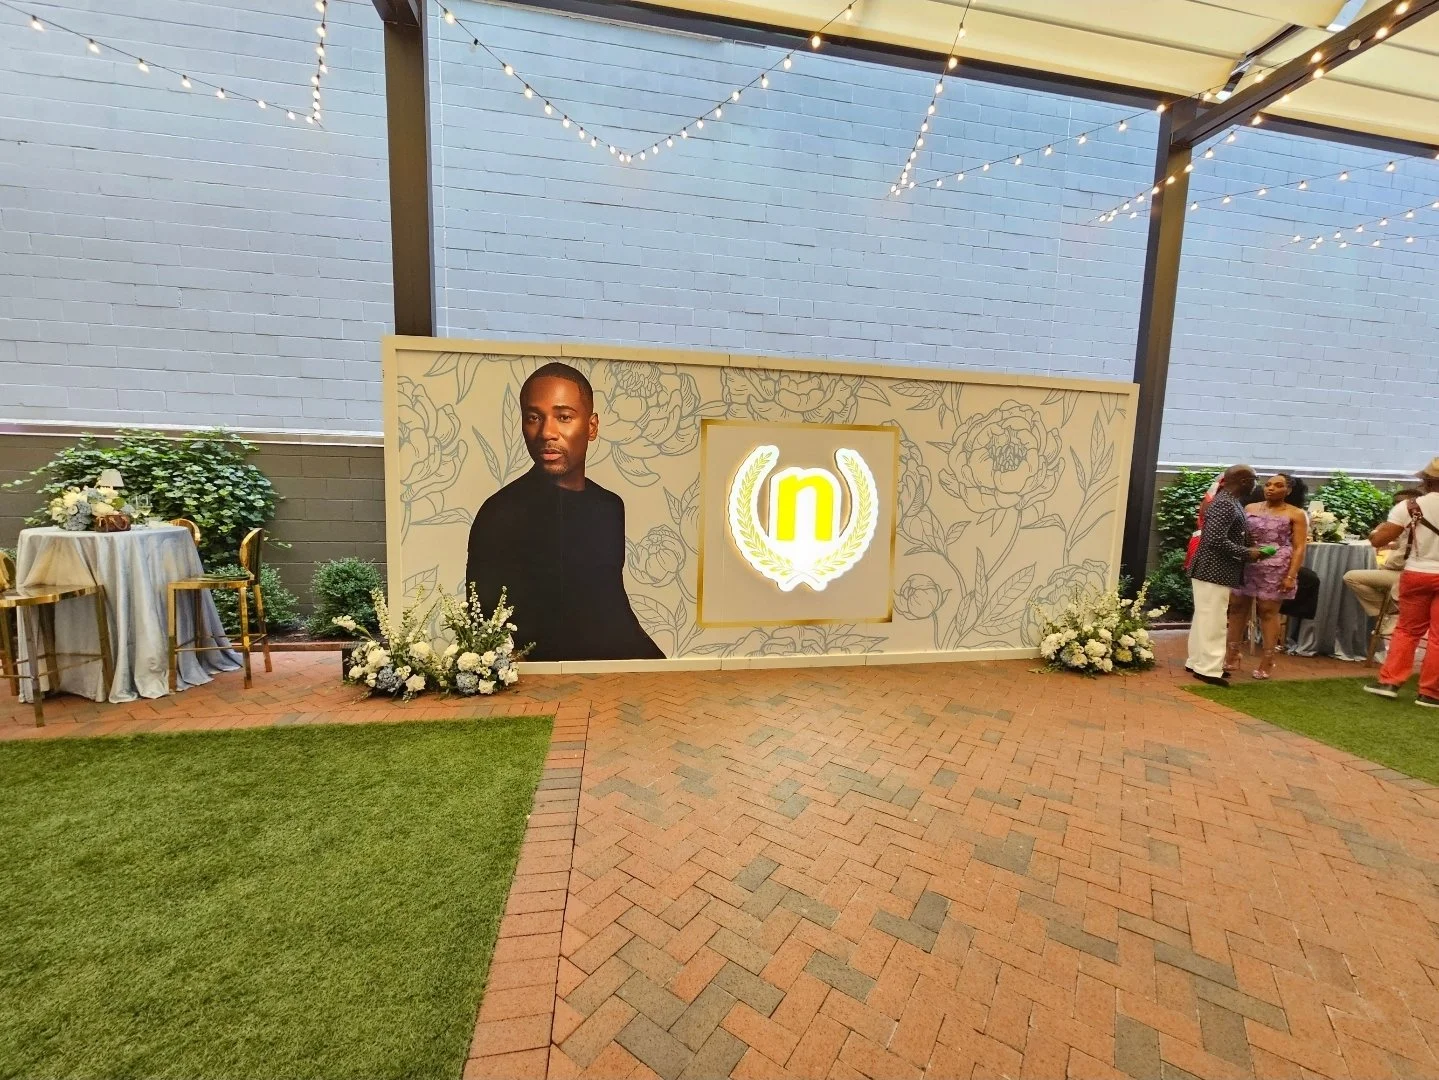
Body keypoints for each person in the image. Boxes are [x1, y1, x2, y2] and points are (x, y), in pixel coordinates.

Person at [464, 362, 664, 663]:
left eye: (564, 417)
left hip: (608, 675)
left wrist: (659, 668)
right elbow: (484, 623)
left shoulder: (609, 507)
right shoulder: (500, 513)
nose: (547, 432)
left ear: (592, 426)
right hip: (538, 681)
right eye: (534, 417)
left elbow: (610, 608)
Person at [1365, 460, 1439, 706]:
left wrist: (1374, 534)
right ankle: (1430, 693)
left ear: (1426, 481)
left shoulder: (1409, 506)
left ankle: (1390, 682)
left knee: (1407, 630)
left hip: (1417, 572)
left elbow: (1380, 540)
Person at [1187, 465, 1263, 686]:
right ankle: (1209, 669)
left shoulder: (1228, 502)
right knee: (1214, 620)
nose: (1256, 484)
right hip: (1214, 569)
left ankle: (1198, 662)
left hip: (1212, 569)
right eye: (1254, 479)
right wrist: (1248, 553)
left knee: (1205, 617)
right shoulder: (1225, 504)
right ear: (1242, 481)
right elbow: (1214, 541)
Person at [1227, 473, 1308, 679]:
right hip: (1248, 561)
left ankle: (1268, 659)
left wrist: (1291, 575)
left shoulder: (1296, 513)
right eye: (1268, 484)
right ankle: (1232, 654)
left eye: (1278, 485)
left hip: (1276, 565)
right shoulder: (1250, 508)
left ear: (1288, 490)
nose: (1270, 488)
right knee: (1237, 607)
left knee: (1268, 611)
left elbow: (1299, 547)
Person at [1344, 488, 1422, 646]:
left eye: (1401, 503)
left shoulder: (1414, 524)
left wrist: (1384, 559)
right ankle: (1390, 612)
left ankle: (1391, 613)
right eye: (1395, 503)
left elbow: (1383, 545)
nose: (1397, 506)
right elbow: (1400, 545)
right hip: (1416, 574)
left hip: (1407, 575)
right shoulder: (1413, 523)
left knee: (1351, 577)